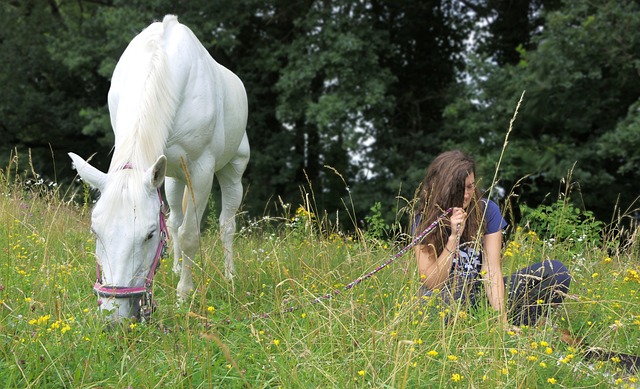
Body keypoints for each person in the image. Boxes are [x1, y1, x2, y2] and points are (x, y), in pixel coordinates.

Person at [414, 150, 571, 326]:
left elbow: (492, 270)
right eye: (459, 188)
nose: (466, 195)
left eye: (470, 187)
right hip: (444, 298)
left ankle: (513, 328)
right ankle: (470, 330)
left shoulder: (487, 210)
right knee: (438, 302)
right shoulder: (424, 218)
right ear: (444, 186)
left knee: (557, 272)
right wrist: (453, 238)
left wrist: (501, 321)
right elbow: (433, 283)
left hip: (478, 294)